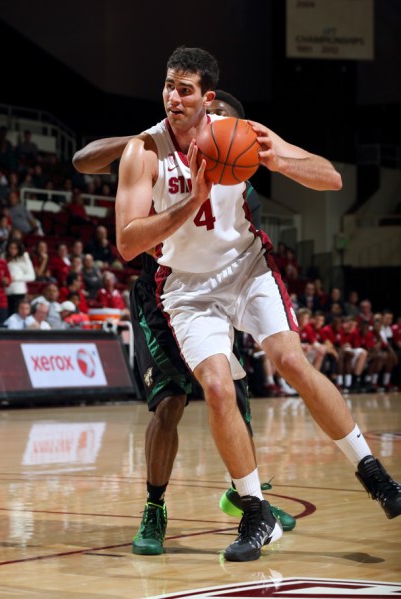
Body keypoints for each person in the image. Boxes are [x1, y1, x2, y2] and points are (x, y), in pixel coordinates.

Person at [113, 46, 401, 562]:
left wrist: (277, 157)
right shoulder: (144, 151)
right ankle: (253, 510)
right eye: (168, 86)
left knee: (292, 360)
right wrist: (192, 201)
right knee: (219, 388)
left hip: (247, 269)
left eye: (184, 89)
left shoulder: (237, 132)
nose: (172, 97)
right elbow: (128, 242)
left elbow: (330, 178)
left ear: (209, 98)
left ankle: (373, 473)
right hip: (187, 286)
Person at [73, 86, 297, 556]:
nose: (205, 124)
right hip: (161, 295)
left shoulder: (240, 189)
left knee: (232, 395)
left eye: (218, 122)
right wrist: (144, 141)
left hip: (210, 293)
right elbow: (83, 159)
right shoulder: (154, 151)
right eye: (204, 115)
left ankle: (246, 497)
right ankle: (154, 508)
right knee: (170, 404)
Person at [4, 238, 36, 315]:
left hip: (19, 292)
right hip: (5, 292)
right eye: (10, 248)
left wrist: (15, 278)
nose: (12, 250)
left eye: (15, 248)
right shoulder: (4, 257)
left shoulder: (24, 257)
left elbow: (32, 276)